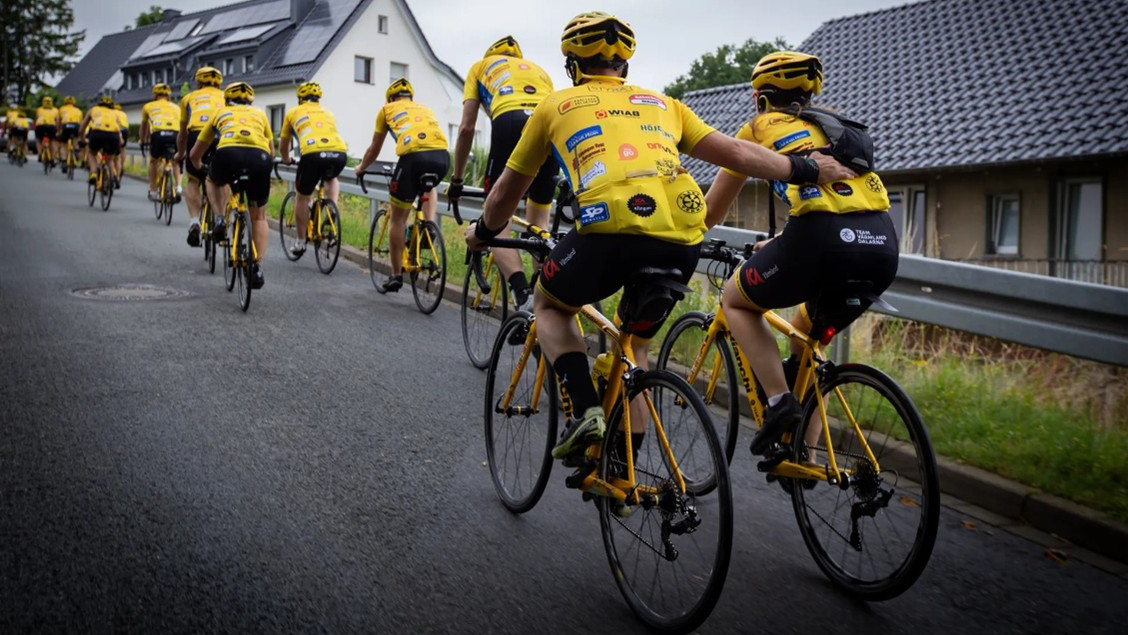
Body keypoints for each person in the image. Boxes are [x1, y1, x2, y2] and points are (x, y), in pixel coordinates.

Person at [465, 12, 853, 463]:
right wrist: (806, 168)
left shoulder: (555, 106)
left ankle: (586, 411)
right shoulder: (665, 104)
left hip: (607, 234)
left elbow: (504, 195)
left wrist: (483, 232)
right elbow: (736, 153)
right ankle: (627, 472)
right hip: (682, 241)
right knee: (634, 348)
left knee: (549, 304)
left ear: (571, 65)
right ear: (625, 65)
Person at [704, 51, 897, 456]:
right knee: (806, 335)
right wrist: (780, 242)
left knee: (736, 301)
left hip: (817, 240)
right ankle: (805, 457)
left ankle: (780, 403)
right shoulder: (838, 128)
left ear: (760, 98)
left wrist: (678, 233)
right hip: (881, 243)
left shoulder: (757, 128)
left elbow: (711, 213)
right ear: (810, 96)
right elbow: (841, 204)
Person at [450, 35, 558, 310]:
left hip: (510, 121)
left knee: (497, 219)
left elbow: (466, 128)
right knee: (539, 224)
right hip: (550, 125)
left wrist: (457, 179)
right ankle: (544, 300)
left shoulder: (480, 67)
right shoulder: (538, 70)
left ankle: (522, 294)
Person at [354, 78, 449, 292]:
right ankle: (428, 225)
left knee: (397, 220)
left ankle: (396, 275)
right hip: (442, 157)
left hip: (412, 159)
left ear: (390, 99)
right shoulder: (425, 108)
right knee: (428, 186)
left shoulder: (386, 110)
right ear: (410, 98)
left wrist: (361, 168)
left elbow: (374, 149)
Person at [189, 81, 273, 289]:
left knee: (213, 180)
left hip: (228, 154)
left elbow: (196, 152)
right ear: (250, 101)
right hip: (259, 158)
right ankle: (258, 267)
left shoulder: (220, 113)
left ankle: (219, 218)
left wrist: (199, 165)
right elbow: (271, 151)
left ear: (226, 100)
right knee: (259, 217)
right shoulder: (260, 114)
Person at [278, 81, 348, 256]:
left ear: (300, 99)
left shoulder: (293, 113)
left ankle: (301, 242)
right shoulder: (328, 113)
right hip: (339, 153)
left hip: (312, 154)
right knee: (331, 178)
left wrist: (286, 160)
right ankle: (332, 207)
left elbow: (284, 144)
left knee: (302, 197)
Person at [176, 66, 225, 247]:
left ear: (198, 82)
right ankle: (220, 218)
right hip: (220, 135)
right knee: (222, 179)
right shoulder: (226, 96)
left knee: (193, 179)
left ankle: (194, 222)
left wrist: (180, 153)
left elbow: (182, 134)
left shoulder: (188, 98)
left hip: (196, 136)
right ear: (219, 83)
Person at [140, 83, 183, 201]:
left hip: (158, 135)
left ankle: (153, 191)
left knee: (153, 161)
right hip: (175, 135)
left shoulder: (148, 106)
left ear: (155, 95)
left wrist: (142, 140)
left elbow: (144, 127)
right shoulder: (177, 107)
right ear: (169, 96)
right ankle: (179, 187)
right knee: (176, 160)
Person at [78, 96, 123, 183]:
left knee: (92, 153)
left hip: (97, 133)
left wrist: (82, 139)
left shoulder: (93, 110)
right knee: (110, 160)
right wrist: (120, 140)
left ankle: (93, 173)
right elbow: (118, 129)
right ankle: (113, 178)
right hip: (113, 135)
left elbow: (81, 129)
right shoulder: (115, 113)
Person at [56, 96, 84, 173]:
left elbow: (58, 121)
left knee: (63, 145)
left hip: (66, 126)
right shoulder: (78, 110)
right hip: (75, 126)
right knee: (75, 139)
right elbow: (81, 123)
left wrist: (58, 131)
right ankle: (76, 149)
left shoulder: (61, 109)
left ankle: (64, 160)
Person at [34, 96, 59, 166]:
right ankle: (53, 159)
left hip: (41, 126)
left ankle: (40, 154)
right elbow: (57, 121)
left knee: (38, 140)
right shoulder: (56, 110)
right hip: (51, 126)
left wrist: (35, 127)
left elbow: (36, 119)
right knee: (53, 142)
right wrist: (57, 129)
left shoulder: (39, 109)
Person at [112, 102, 128, 189]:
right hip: (124, 130)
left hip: (114, 130)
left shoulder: (110, 112)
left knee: (111, 152)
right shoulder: (123, 114)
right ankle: (121, 165)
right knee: (122, 149)